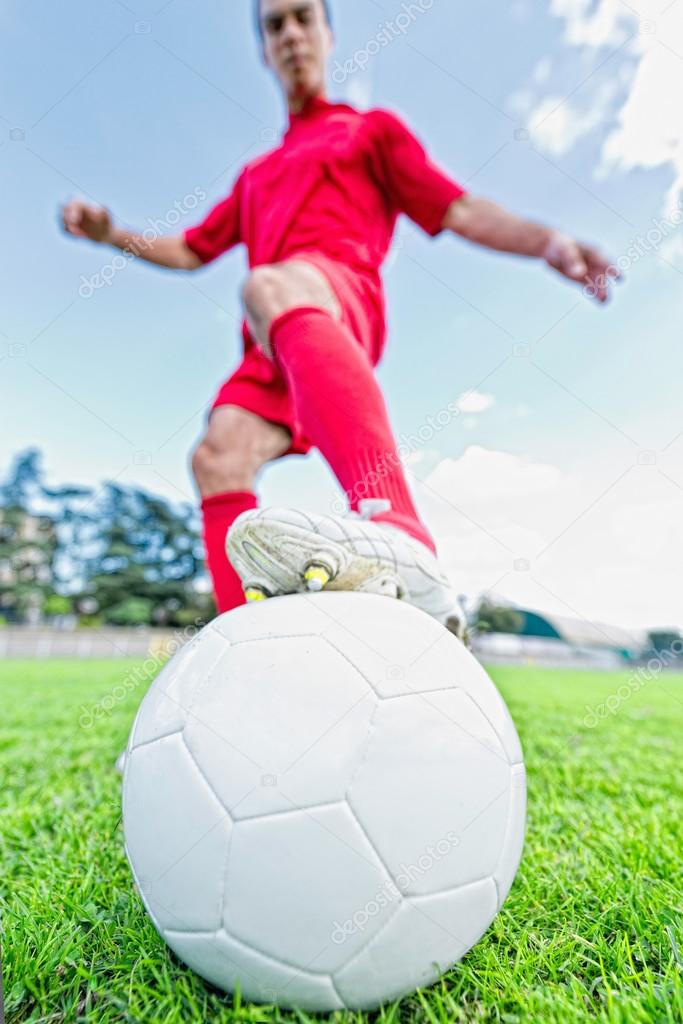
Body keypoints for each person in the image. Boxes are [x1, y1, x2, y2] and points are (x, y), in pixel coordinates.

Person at [62, 0, 617, 636]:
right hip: (271, 348)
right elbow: (191, 249)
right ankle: (245, 641)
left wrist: (547, 243)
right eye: (275, 25)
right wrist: (113, 236)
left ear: (328, 35)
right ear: (264, 49)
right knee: (216, 458)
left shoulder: (370, 131)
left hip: (338, 303)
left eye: (303, 18)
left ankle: (403, 535)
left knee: (268, 283)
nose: (291, 33)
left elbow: (459, 209)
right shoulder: (256, 175)